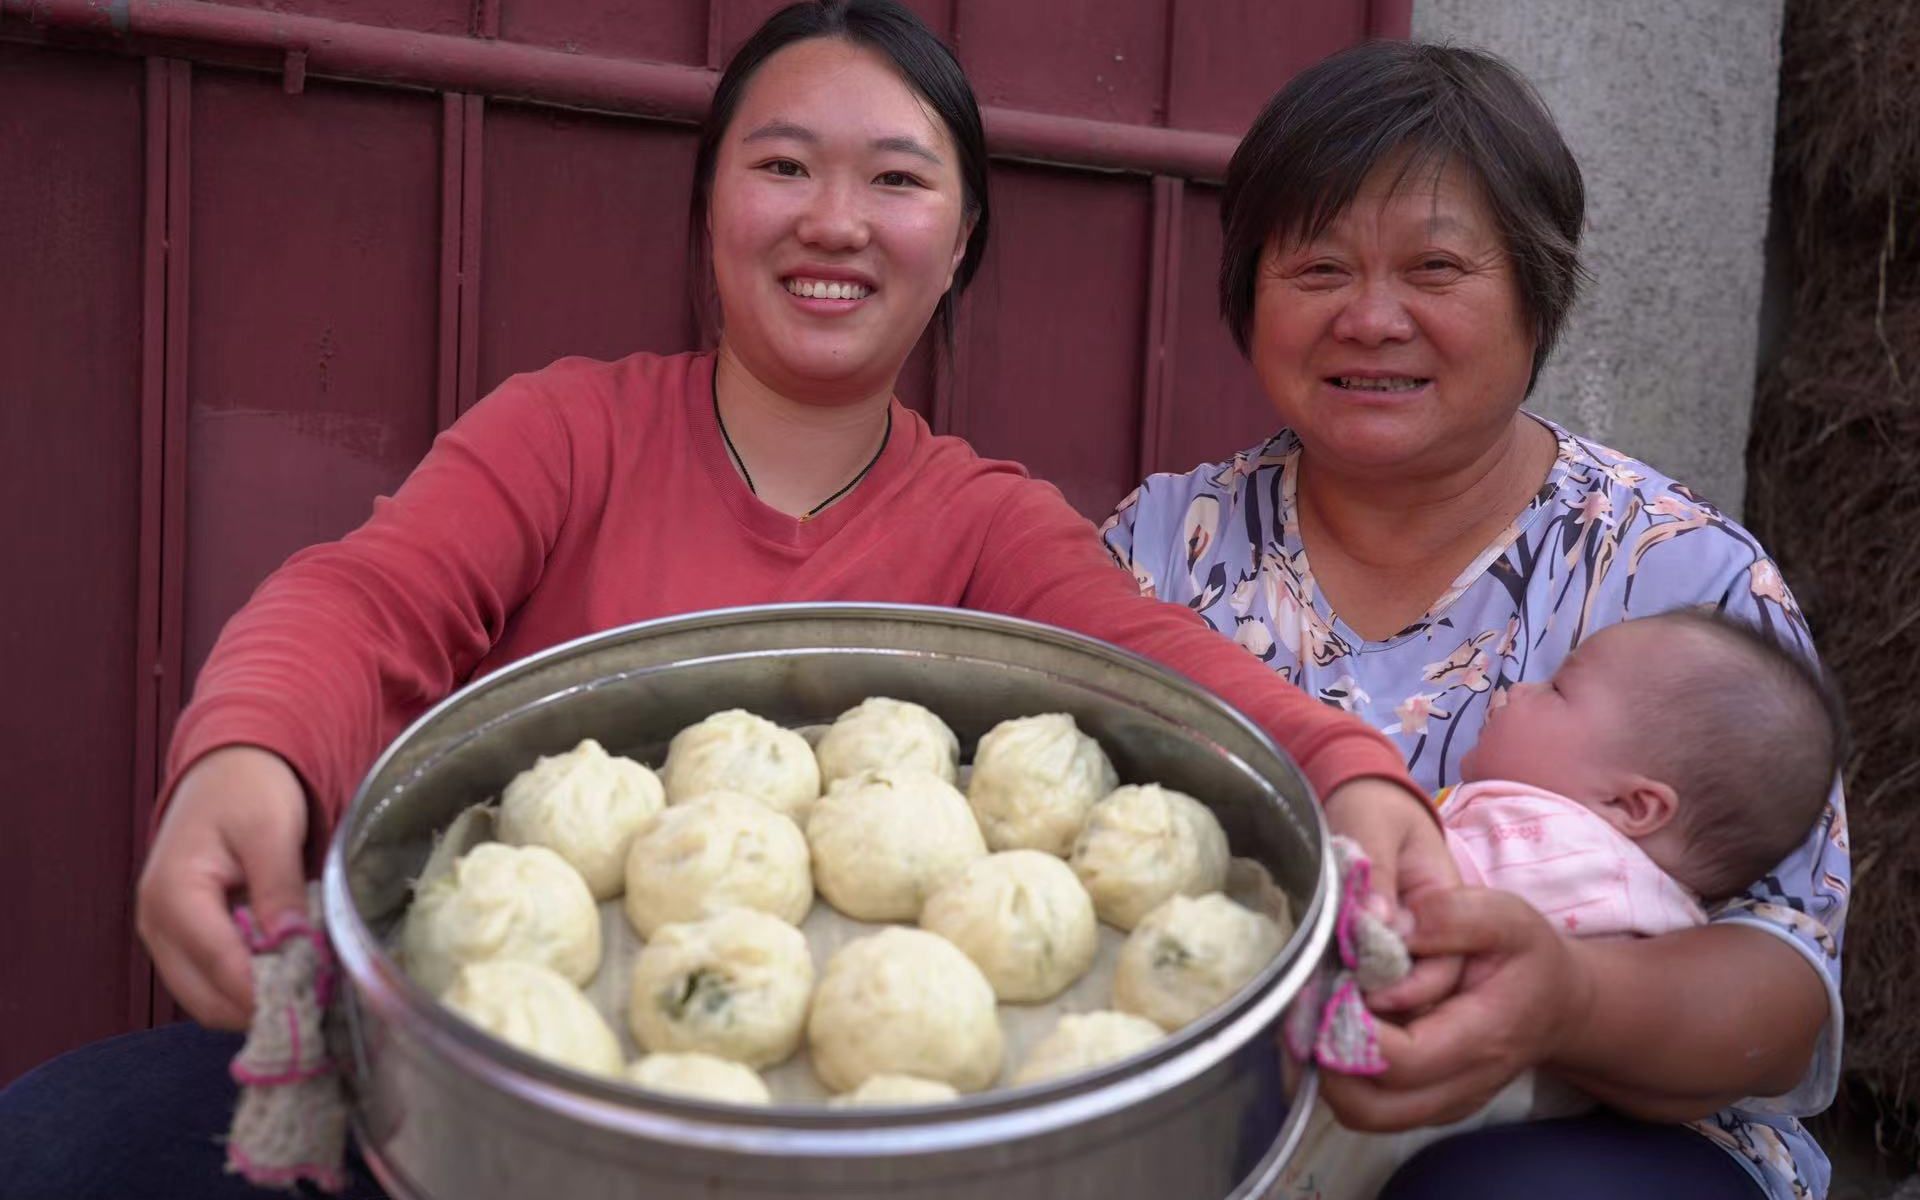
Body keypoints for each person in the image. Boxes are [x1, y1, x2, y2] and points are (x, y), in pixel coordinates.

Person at [0, 5, 1448, 1197]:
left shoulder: (991, 525)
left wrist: (1348, 776)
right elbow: (366, 601)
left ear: (961, 243)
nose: (836, 221)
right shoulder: (563, 435)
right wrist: (245, 750)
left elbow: (1161, 666)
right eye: (783, 168)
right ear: (708, 212)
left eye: (896, 179)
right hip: (493, 1101)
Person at [1102, 40, 1850, 1200]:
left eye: (1436, 268)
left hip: (1596, 1140)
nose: (1371, 317)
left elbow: (1782, 995)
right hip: (1236, 1122)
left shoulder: (1674, 571)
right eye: (1316, 269)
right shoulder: (1163, 548)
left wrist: (1568, 999)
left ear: (1535, 295)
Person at [1277, 609, 1848, 1200]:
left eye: (1556, 689)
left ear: (1632, 805)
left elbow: (1423, 901)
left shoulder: (1557, 844)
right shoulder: (1628, 887)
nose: (1515, 688)